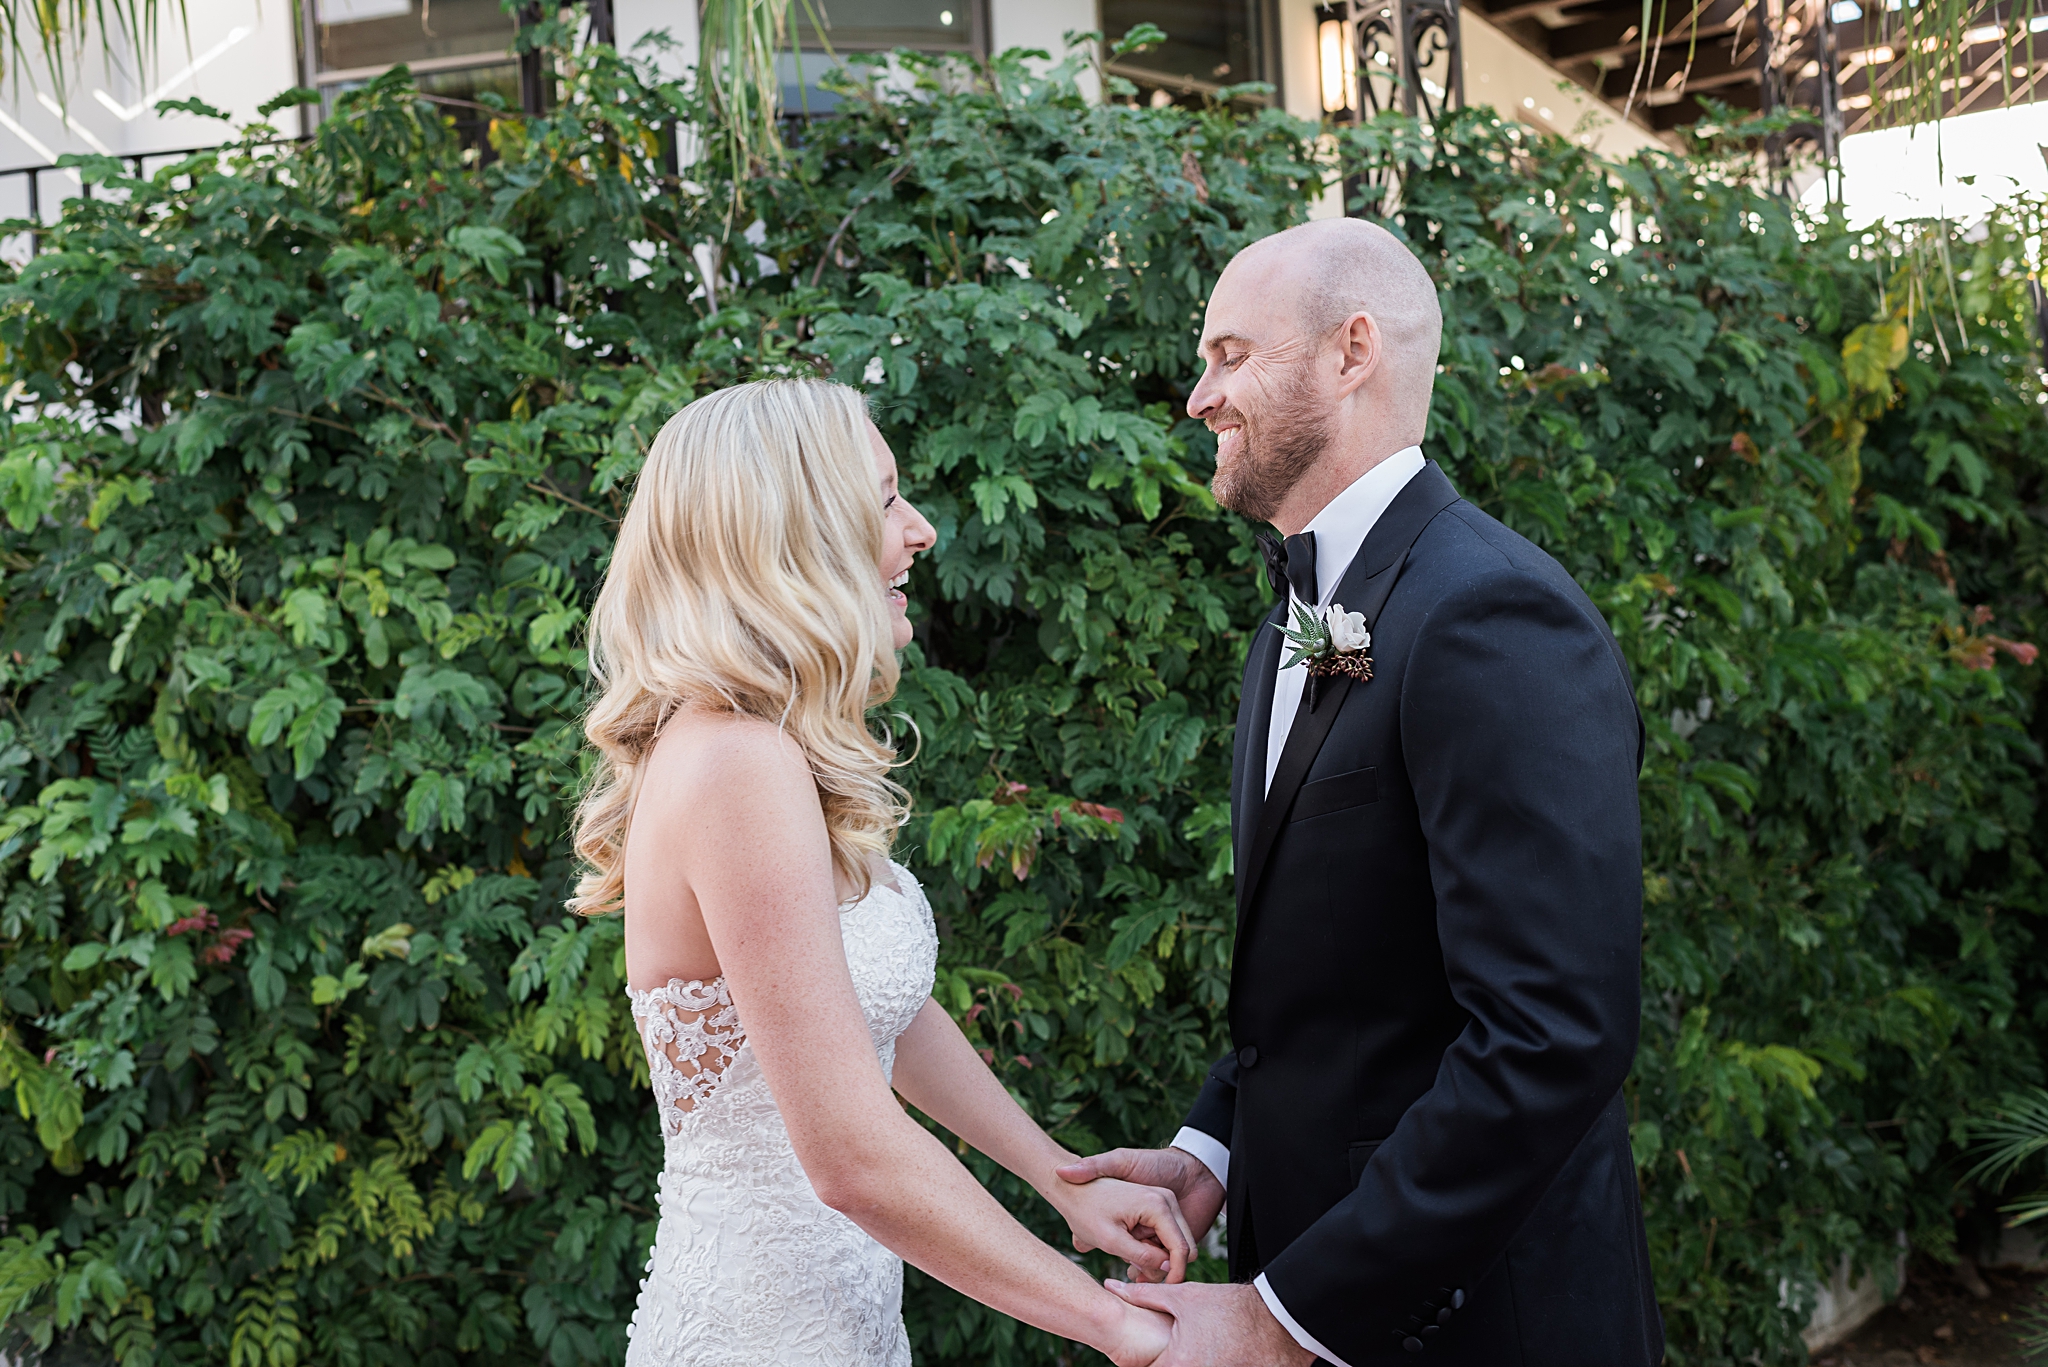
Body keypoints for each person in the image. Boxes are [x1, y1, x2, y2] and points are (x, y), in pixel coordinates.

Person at [1057, 218, 1664, 1366]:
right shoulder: (1304, 615)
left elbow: (1550, 1031)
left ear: (1351, 351)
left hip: (1482, 1327)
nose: (1198, 396)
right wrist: (1212, 1151)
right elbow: (1341, 969)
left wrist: (1288, 1316)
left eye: (1229, 354)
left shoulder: (1491, 616)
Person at [573, 379, 1188, 1367]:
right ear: (796, 531)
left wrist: (1063, 1180)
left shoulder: (761, 746)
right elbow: (852, 1156)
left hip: (839, 1319)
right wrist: (1118, 1328)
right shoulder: (738, 765)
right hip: (761, 1335)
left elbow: (873, 1014)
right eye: (886, 497)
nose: (920, 529)